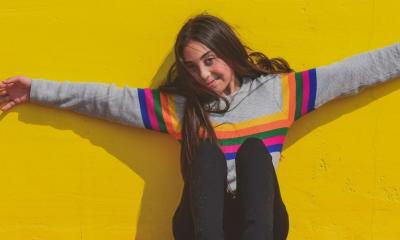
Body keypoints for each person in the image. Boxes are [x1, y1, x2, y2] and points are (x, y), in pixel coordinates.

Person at [0, 13, 399, 240]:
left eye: (210, 60)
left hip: (257, 222)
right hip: (203, 225)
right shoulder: (182, 108)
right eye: (192, 67)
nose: (204, 75)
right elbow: (106, 99)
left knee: (255, 153)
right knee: (205, 155)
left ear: (228, 52)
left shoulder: (281, 94)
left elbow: (356, 72)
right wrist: (35, 89)